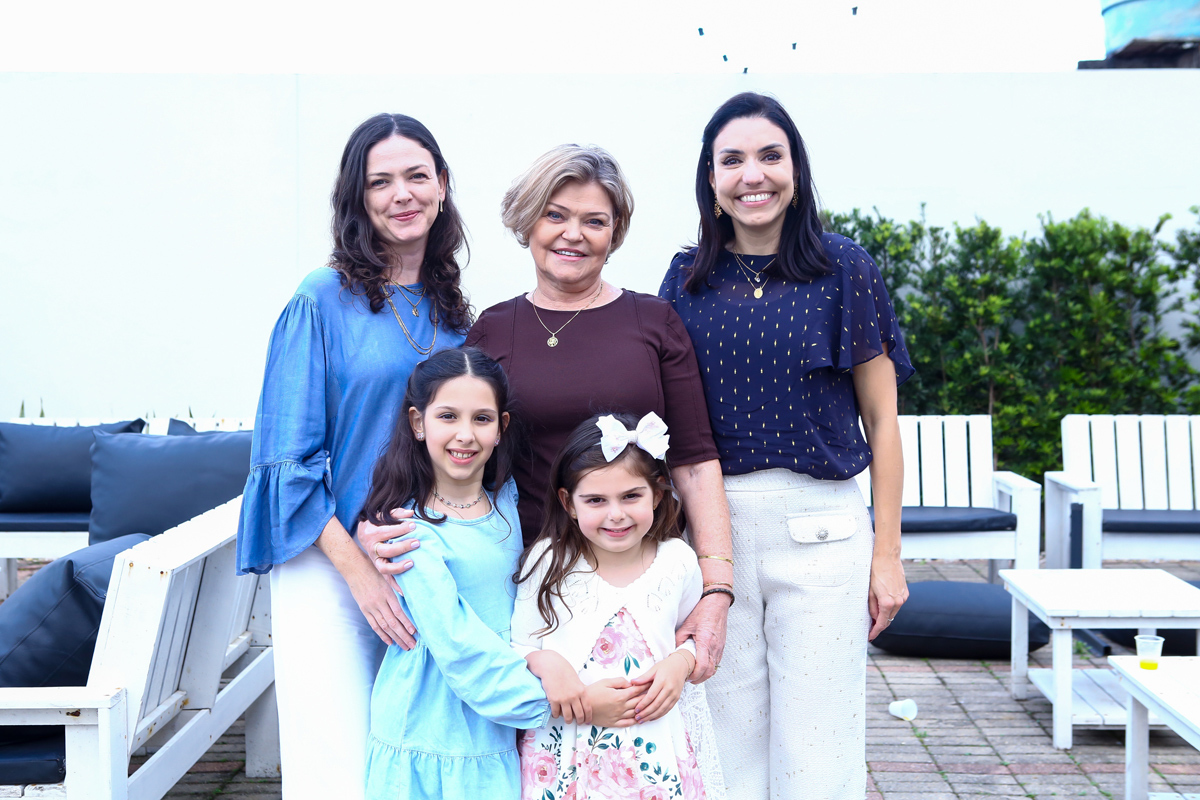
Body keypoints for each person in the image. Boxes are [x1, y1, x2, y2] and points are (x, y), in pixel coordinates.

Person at [365, 145, 733, 682]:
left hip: (644, 579)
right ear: (528, 221)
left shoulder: (655, 322)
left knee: (645, 718)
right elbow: (453, 455)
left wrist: (716, 588)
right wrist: (380, 525)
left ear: (615, 231)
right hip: (534, 582)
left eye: (594, 221)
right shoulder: (493, 330)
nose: (573, 234)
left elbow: (695, 464)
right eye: (555, 215)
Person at [658, 92, 915, 799]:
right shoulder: (686, 280)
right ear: (711, 179)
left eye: (770, 156)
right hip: (714, 533)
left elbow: (883, 421)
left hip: (823, 531)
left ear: (796, 170)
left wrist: (888, 555)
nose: (753, 175)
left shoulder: (845, 269)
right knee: (723, 736)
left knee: (818, 745)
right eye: (732, 160)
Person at [235, 113, 471, 798]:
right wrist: (359, 573)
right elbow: (285, 458)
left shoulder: (452, 307)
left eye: (416, 176)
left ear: (441, 185)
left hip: (426, 562)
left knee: (410, 766)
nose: (402, 194)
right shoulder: (320, 299)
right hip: (331, 563)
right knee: (338, 771)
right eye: (381, 182)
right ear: (358, 197)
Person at [361, 347, 639, 800]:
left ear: (501, 427)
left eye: (482, 419)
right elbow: (458, 646)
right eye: (448, 416)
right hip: (431, 730)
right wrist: (574, 704)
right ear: (417, 422)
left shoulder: (506, 500)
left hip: (496, 725)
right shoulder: (412, 533)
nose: (465, 434)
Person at [512, 412, 724, 800]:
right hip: (568, 750)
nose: (616, 514)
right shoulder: (547, 561)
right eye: (596, 500)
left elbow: (690, 636)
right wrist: (548, 664)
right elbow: (518, 645)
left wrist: (680, 663)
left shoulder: (677, 561)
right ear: (568, 503)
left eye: (631, 496)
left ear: (656, 494)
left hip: (654, 751)